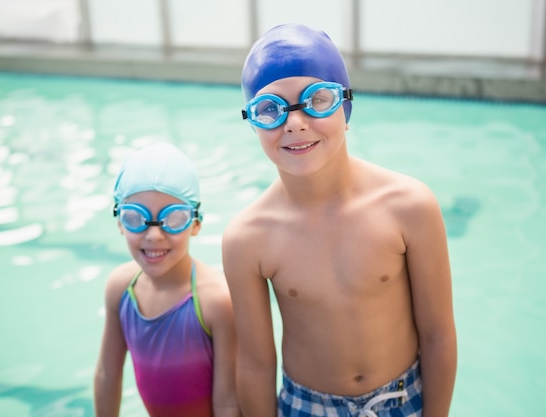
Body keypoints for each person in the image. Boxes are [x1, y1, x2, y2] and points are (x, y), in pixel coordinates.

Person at [222, 23, 457, 417]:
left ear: (345, 106)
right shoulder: (247, 238)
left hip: (403, 401)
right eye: (270, 109)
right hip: (304, 407)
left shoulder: (409, 206)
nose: (295, 123)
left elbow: (438, 335)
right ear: (253, 123)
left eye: (317, 100)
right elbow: (255, 364)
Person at [94, 142, 240, 417]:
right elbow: (107, 375)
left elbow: (228, 402)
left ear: (196, 223)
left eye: (173, 219)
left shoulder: (216, 301)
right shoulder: (121, 288)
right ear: (119, 222)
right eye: (135, 217)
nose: (154, 236)